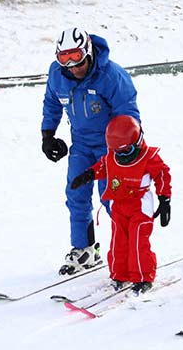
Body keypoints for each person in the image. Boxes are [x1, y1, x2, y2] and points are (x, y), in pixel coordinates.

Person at [41, 27, 140, 275]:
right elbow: (52, 102)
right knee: (76, 196)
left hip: (112, 148)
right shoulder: (57, 75)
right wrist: (48, 135)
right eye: (66, 61)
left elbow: (129, 114)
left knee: (113, 201)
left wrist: (129, 150)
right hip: (81, 146)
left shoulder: (112, 76)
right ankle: (84, 250)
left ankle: (127, 253)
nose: (73, 67)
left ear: (88, 53)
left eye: (78, 60)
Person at [70, 115, 172, 294]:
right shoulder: (113, 156)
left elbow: (162, 175)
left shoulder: (148, 157)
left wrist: (165, 200)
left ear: (138, 142)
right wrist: (88, 175)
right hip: (118, 205)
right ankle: (120, 274)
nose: (122, 156)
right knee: (119, 242)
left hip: (140, 206)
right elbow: (103, 166)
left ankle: (143, 277)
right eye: (118, 152)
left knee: (137, 242)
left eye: (127, 151)